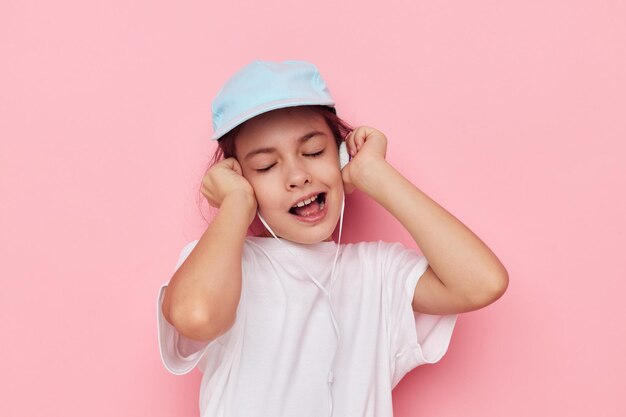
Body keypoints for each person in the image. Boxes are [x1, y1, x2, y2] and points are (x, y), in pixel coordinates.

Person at [156, 60, 509, 417]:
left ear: (341, 155)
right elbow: (196, 316)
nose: (297, 176)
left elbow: (482, 283)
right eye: (265, 166)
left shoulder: (378, 273)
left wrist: (374, 174)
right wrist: (235, 204)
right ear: (238, 178)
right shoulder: (222, 263)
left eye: (313, 152)